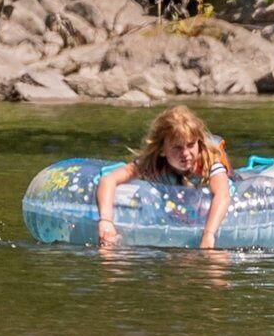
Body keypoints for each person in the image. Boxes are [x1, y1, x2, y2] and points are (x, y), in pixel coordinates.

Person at [95, 104, 235, 248]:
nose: (186, 154)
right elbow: (109, 179)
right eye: (177, 147)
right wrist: (106, 221)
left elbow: (222, 195)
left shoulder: (209, 161)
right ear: (162, 149)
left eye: (191, 145)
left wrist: (208, 234)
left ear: (198, 143)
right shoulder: (154, 163)